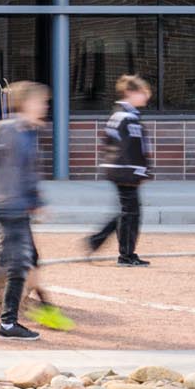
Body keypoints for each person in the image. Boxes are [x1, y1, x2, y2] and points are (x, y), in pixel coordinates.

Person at [0, 79, 69, 339]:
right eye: (40, 101)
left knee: (14, 257)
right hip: (7, 205)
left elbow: (28, 173)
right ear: (25, 103)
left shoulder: (29, 131)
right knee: (21, 262)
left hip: (20, 205)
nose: (45, 106)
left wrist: (37, 203)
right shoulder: (7, 130)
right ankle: (8, 324)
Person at [80, 74, 152, 265]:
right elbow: (129, 148)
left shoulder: (123, 115)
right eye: (142, 92)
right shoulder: (126, 118)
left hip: (122, 170)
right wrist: (139, 169)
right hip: (125, 171)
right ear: (130, 92)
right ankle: (126, 255)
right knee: (131, 214)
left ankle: (96, 241)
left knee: (126, 212)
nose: (146, 96)